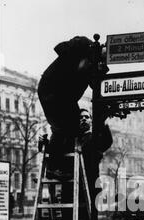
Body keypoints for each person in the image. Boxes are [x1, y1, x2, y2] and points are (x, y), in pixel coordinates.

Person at [38, 35, 108, 180]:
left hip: (65, 97)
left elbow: (97, 87)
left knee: (68, 128)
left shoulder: (94, 68)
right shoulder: (83, 44)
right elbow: (59, 48)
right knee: (65, 126)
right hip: (52, 90)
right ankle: (54, 167)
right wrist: (76, 61)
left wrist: (99, 74)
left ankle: (58, 166)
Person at [59, 108, 113, 220]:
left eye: (86, 117)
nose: (83, 119)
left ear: (91, 120)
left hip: (89, 190)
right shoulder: (71, 139)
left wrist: (102, 123)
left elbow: (106, 141)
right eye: (80, 117)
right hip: (70, 190)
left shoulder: (94, 138)